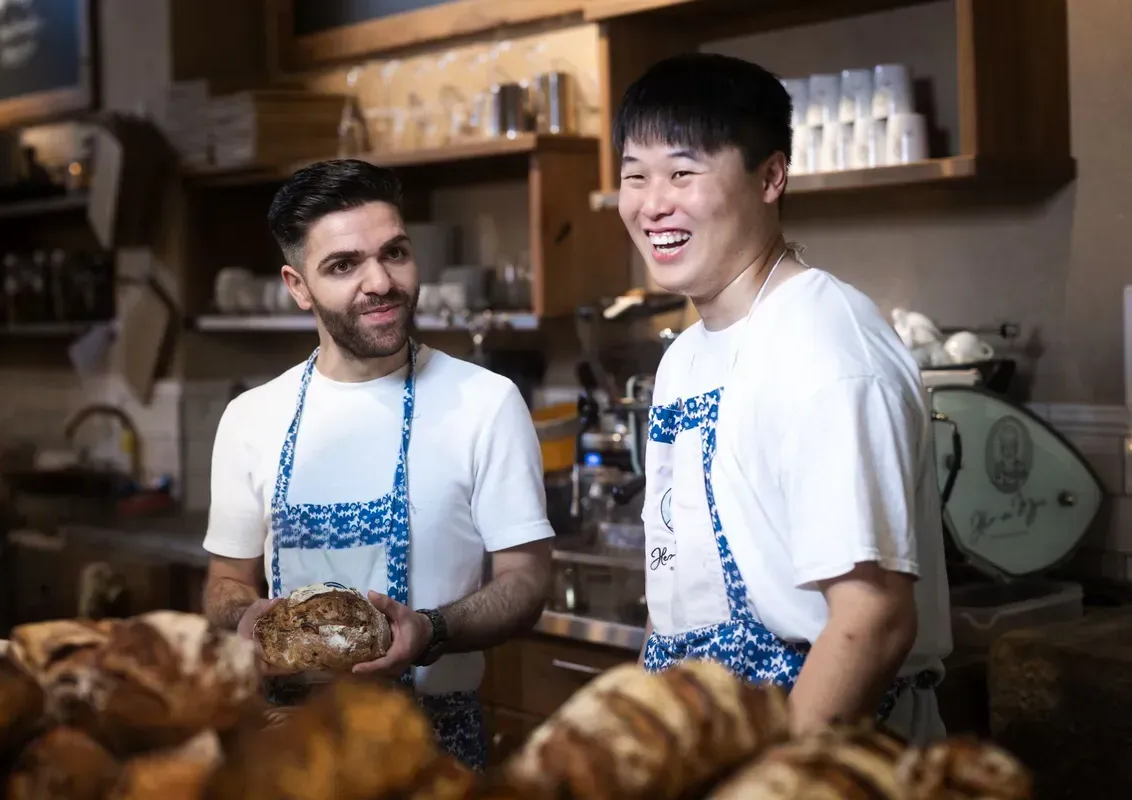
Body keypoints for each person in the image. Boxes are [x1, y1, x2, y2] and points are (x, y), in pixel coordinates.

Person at [617, 53, 953, 743]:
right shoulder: (683, 356)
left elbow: (874, 618)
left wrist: (768, 782)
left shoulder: (827, 348)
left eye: (683, 172)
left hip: (827, 758)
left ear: (770, 176)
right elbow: (675, 584)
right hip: (704, 741)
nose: (652, 203)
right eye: (634, 176)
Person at [201, 159, 554, 770]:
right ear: (298, 286)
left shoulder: (485, 401)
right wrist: (243, 615)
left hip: (435, 742)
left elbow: (526, 582)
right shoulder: (251, 418)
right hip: (292, 740)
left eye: (394, 253)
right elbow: (224, 581)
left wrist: (431, 630)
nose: (381, 282)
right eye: (344, 265)